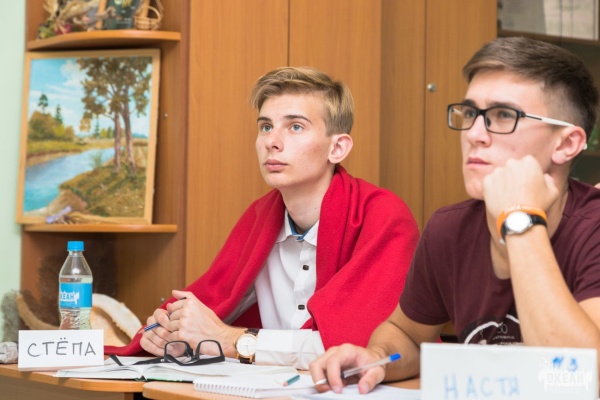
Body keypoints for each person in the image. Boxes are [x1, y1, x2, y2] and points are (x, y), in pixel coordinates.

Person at [310, 36, 600, 393]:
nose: (474, 134)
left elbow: (581, 378)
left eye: (503, 115)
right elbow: (408, 335)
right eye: (471, 113)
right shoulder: (449, 228)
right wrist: (376, 357)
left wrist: (520, 218)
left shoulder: (593, 226)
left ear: (567, 143)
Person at [105, 67, 419, 369]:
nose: (271, 141)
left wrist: (227, 339)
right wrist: (174, 335)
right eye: (266, 126)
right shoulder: (259, 217)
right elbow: (216, 307)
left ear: (337, 148)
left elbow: (359, 347)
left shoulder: (384, 217)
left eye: (295, 127)